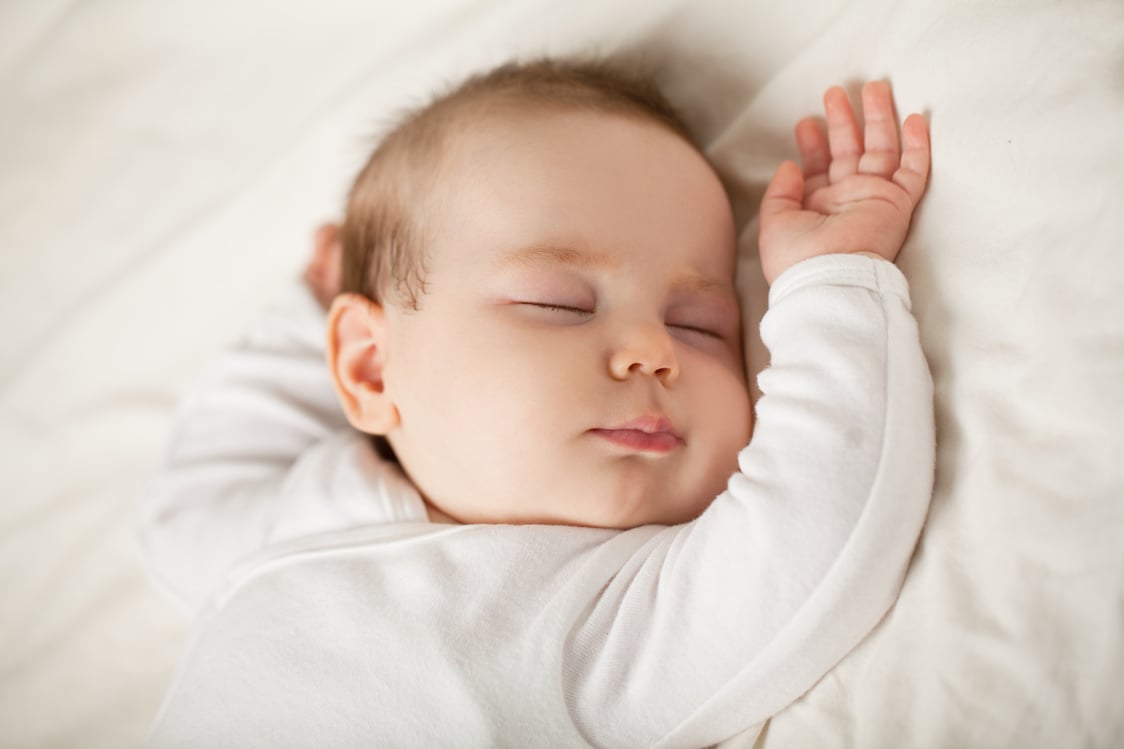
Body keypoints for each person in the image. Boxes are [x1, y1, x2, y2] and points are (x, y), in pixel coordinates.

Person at [137, 58, 934, 748]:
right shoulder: (306, 506)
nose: (652, 351)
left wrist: (830, 285)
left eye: (700, 326)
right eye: (561, 304)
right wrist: (311, 311)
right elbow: (187, 508)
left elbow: (813, 536)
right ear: (372, 369)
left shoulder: (611, 611)